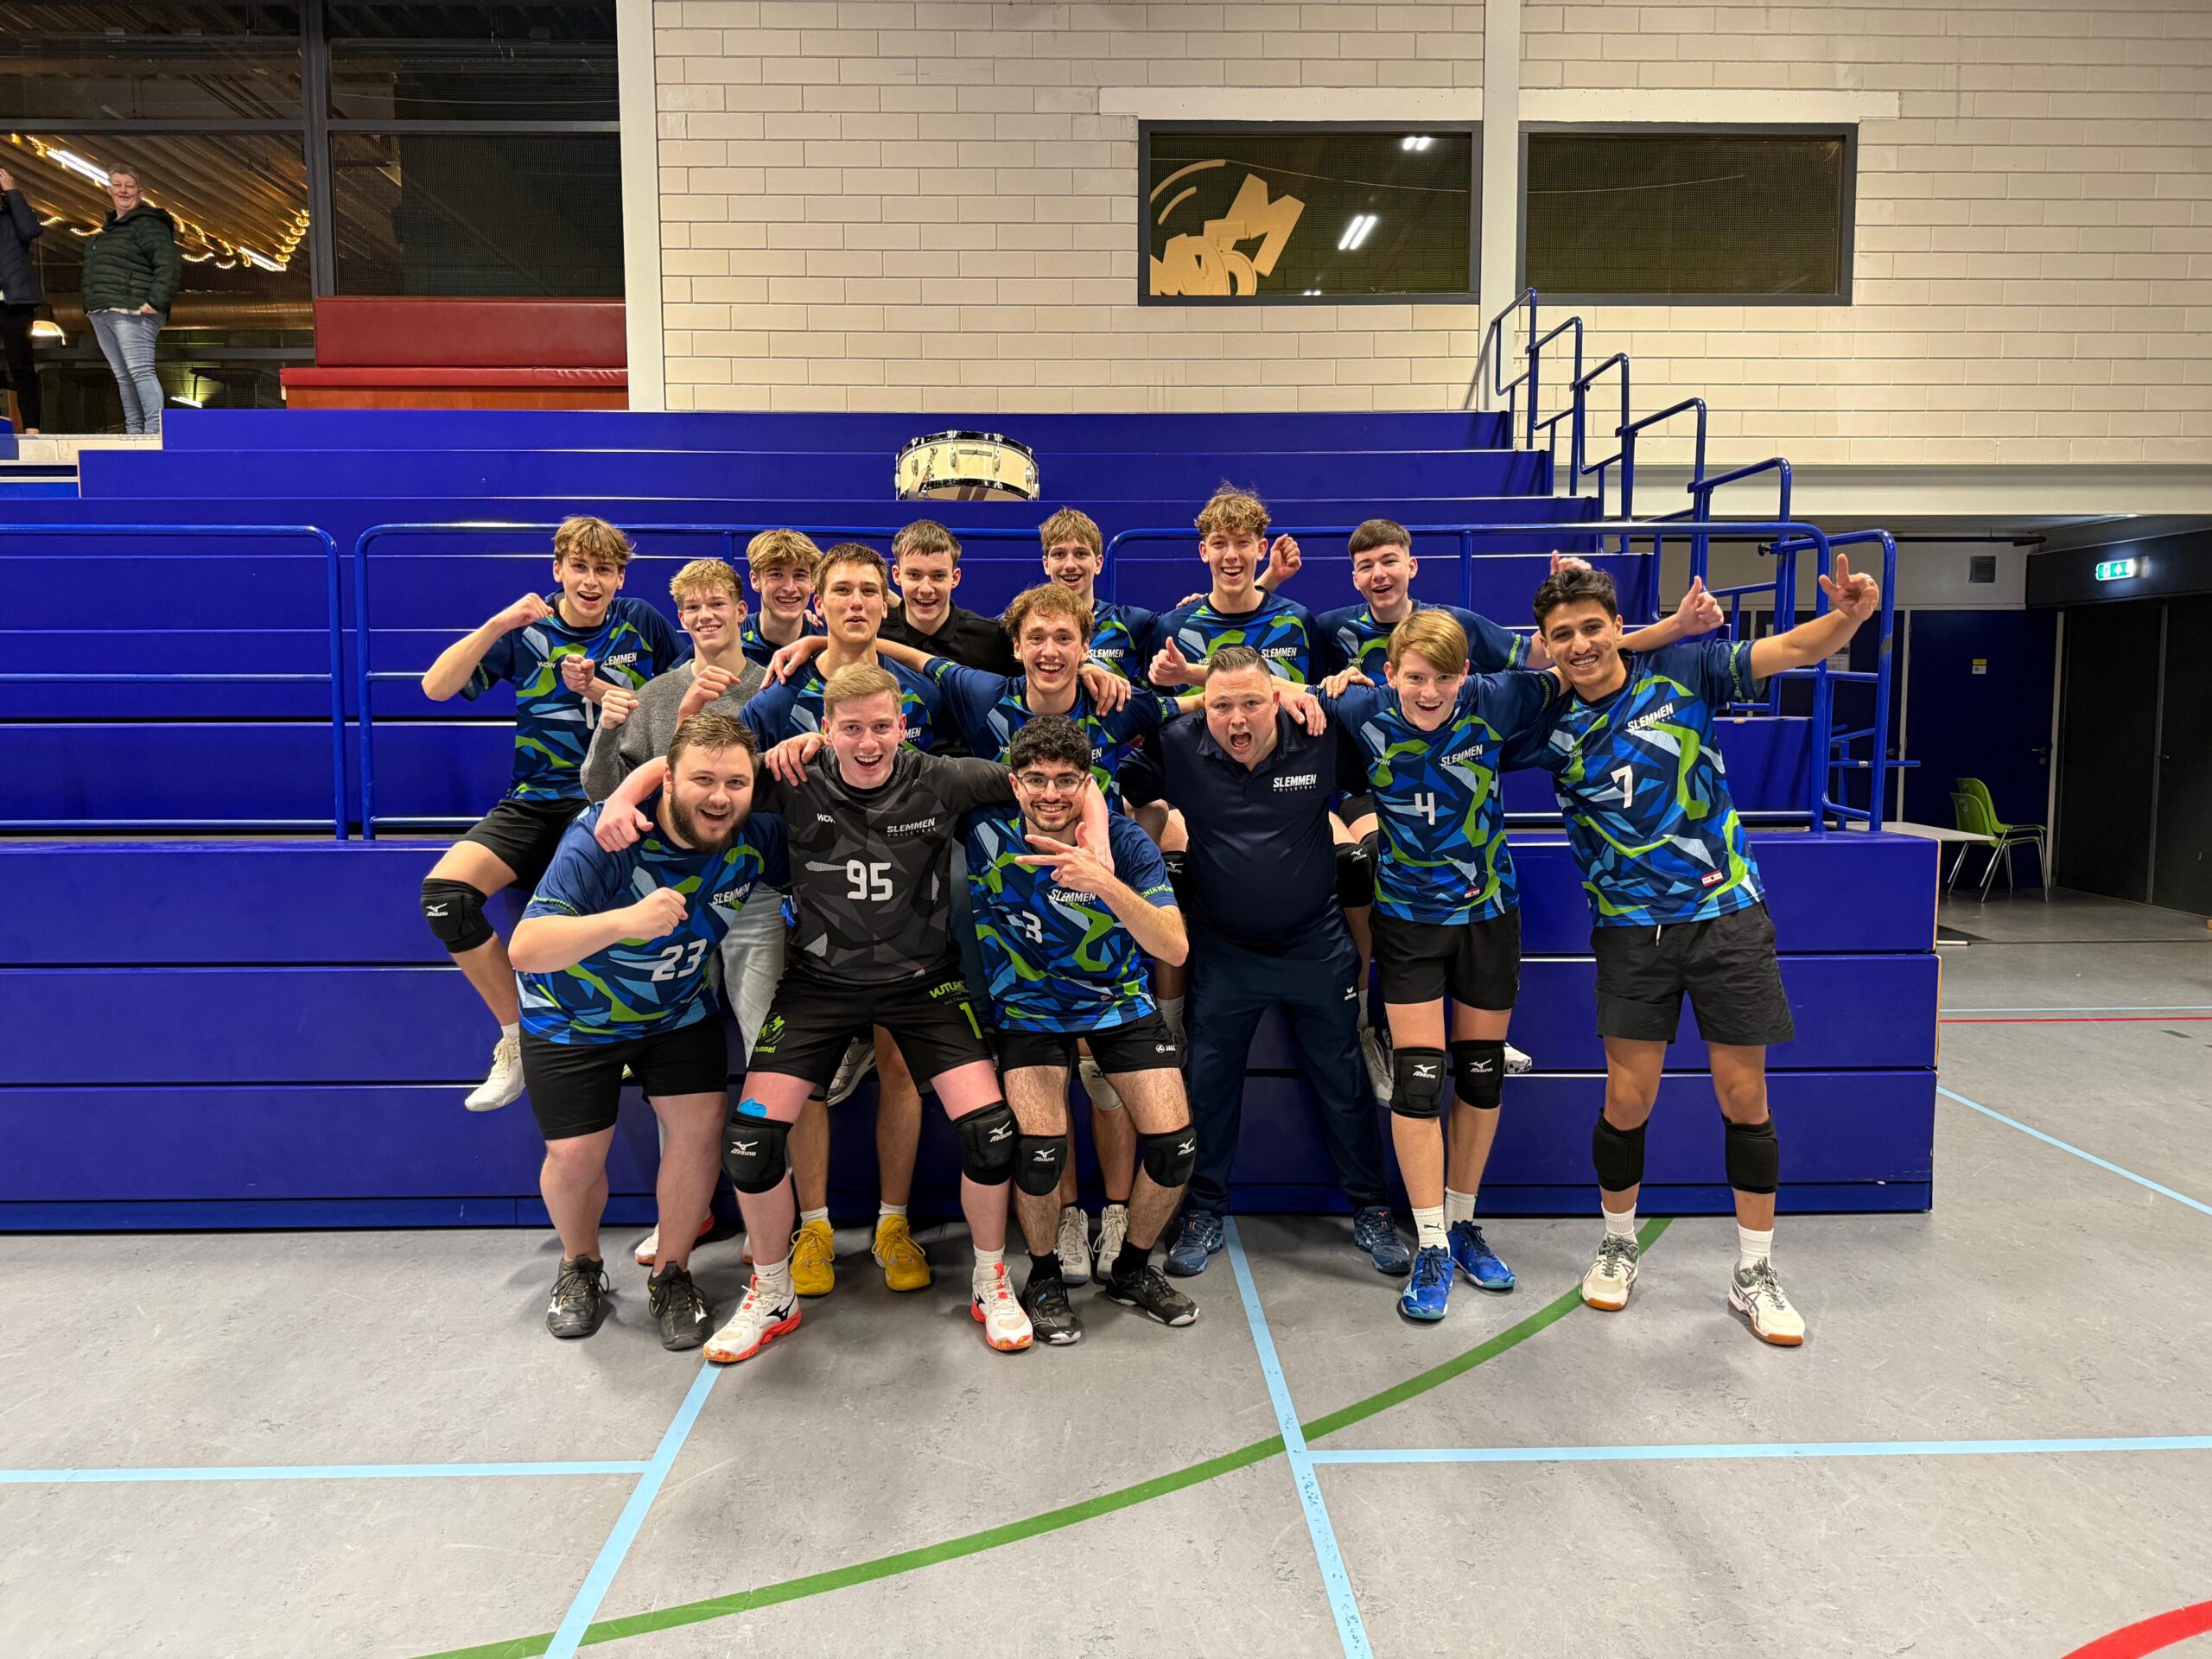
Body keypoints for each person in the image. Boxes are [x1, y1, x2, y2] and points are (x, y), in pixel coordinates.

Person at [599, 664, 1112, 1363]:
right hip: (819, 983)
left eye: (880, 727)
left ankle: (991, 1281)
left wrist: (1098, 843)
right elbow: (687, 768)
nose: (867, 743)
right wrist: (621, 796)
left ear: (903, 727)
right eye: (850, 729)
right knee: (751, 1142)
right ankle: (772, 1292)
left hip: (923, 983)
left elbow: (1067, 781)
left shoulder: (943, 778)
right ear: (825, 729)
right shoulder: (792, 776)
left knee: (992, 1134)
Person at [1516, 556, 1883, 1348]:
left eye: (1592, 627)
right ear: (1545, 644)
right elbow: (1450, 696)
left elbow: (1792, 649)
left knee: (1744, 1098)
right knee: (1627, 1102)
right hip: (1629, 931)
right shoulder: (1544, 718)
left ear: (1618, 627)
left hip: (1726, 917)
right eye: (1562, 635)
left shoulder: (1684, 671)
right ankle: (1618, 1245)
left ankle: (1755, 1271)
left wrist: (1848, 619)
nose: (1580, 645)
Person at [856, 579, 1170, 1286]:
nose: (1051, 650)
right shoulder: (983, 694)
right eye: (1038, 638)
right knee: (1045, 1092)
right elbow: (912, 655)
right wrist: (822, 641)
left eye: (1067, 639)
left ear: (1088, 646)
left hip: (1099, 910)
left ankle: (1118, 1213)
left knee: (1105, 1076)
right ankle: (1065, 1219)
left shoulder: (1115, 701)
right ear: (1017, 646)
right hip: (1021, 910)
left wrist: (1294, 692)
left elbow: (1204, 700)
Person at [507, 712, 787, 1351]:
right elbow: (526, 947)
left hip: (676, 1014)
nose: (720, 797)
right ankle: (579, 1266)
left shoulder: (758, 837)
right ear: (667, 781)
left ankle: (673, 1273)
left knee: (698, 1132)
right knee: (575, 1157)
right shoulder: (606, 835)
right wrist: (625, 922)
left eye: (736, 783)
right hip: (572, 1016)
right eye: (703, 780)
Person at [1125, 646, 1405, 1279]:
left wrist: (1341, 688)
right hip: (1225, 951)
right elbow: (1126, 790)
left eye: (1252, 702)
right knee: (1209, 1084)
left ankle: (1371, 1208)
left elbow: (1387, 754)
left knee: (1344, 1082)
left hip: (1316, 945)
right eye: (1221, 705)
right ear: (1203, 707)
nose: (1237, 719)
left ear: (1277, 698)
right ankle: (1203, 1209)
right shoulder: (1177, 745)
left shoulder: (1319, 737)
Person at [1316, 610, 1565, 1321]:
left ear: (1467, 676)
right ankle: (1428, 1242)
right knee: (1420, 1082)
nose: (1430, 693)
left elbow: (1588, 661)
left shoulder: (1498, 697)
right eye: (1416, 678)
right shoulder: (1361, 707)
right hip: (1408, 921)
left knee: (1480, 1075)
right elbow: (1268, 693)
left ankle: (1461, 1224)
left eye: (1445, 679)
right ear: (1390, 673)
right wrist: (1316, 686)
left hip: (1489, 915)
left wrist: (1670, 629)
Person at [417, 518, 686, 1112]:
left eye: (605, 570)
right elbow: (435, 687)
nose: (591, 581)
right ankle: (517, 1037)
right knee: (445, 897)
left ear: (621, 577)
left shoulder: (641, 622)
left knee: (612, 913)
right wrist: (499, 624)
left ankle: (611, 1032)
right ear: (558, 569)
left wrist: (598, 690)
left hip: (612, 800)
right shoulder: (528, 629)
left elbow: (678, 708)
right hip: (532, 801)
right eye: (579, 567)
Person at [740, 541, 941, 1294]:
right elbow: (727, 776)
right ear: (818, 604)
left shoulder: (919, 694)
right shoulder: (778, 694)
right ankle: (815, 1227)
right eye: (841, 592)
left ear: (887, 602)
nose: (856, 603)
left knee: (900, 1066)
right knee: (807, 1077)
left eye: (868, 591)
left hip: (904, 915)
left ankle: (893, 1223)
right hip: (809, 914)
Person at [966, 716, 1198, 1344]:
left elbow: (1173, 946)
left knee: (1175, 1148)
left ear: (1088, 782)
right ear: (1015, 783)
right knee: (1040, 1152)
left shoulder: (1124, 841)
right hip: (1027, 1009)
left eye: (1067, 780)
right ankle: (1043, 1277)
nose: (1051, 793)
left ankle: (1131, 1270)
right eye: (1036, 779)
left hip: (1117, 1005)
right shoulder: (982, 829)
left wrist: (1104, 881)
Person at [580, 556, 780, 1268]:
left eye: (716, 604)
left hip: (752, 893)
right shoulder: (657, 691)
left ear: (739, 610)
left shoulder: (773, 683)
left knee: (770, 1056)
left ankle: (770, 1214)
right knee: (674, 1067)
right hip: (672, 899)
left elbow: (775, 792)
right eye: (691, 607)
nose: (704, 616)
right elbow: (605, 791)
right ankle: (685, 1215)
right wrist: (607, 729)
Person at [79, 167, 177, 436]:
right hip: (102, 310)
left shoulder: (149, 225)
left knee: (140, 371)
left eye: (129, 185)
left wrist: (154, 302)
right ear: (109, 190)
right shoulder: (107, 232)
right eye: (117, 184)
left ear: (140, 192)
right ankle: (134, 432)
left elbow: (168, 265)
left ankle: (154, 432)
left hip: (133, 310)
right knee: (123, 375)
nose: (123, 190)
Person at [878, 519, 1018, 680]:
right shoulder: (875, 631)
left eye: (938, 576)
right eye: (914, 575)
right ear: (897, 575)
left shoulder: (992, 638)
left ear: (955, 578)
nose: (926, 589)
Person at [737, 528, 825, 666]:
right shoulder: (733, 636)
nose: (790, 588)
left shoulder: (826, 647)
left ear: (813, 582)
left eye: (800, 575)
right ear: (755, 581)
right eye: (776, 575)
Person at [0, 167, 45, 435]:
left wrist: (13, 192)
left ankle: (32, 429)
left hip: (16, 301)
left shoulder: (13, 216)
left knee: (22, 366)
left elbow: (31, 230)